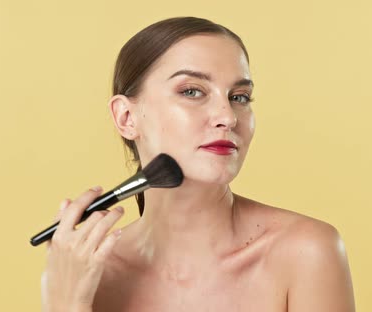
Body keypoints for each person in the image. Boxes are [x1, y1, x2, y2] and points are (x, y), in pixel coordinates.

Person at [41, 17, 355, 312]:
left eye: (240, 97)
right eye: (192, 91)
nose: (228, 117)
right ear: (126, 117)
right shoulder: (89, 273)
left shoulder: (305, 252)